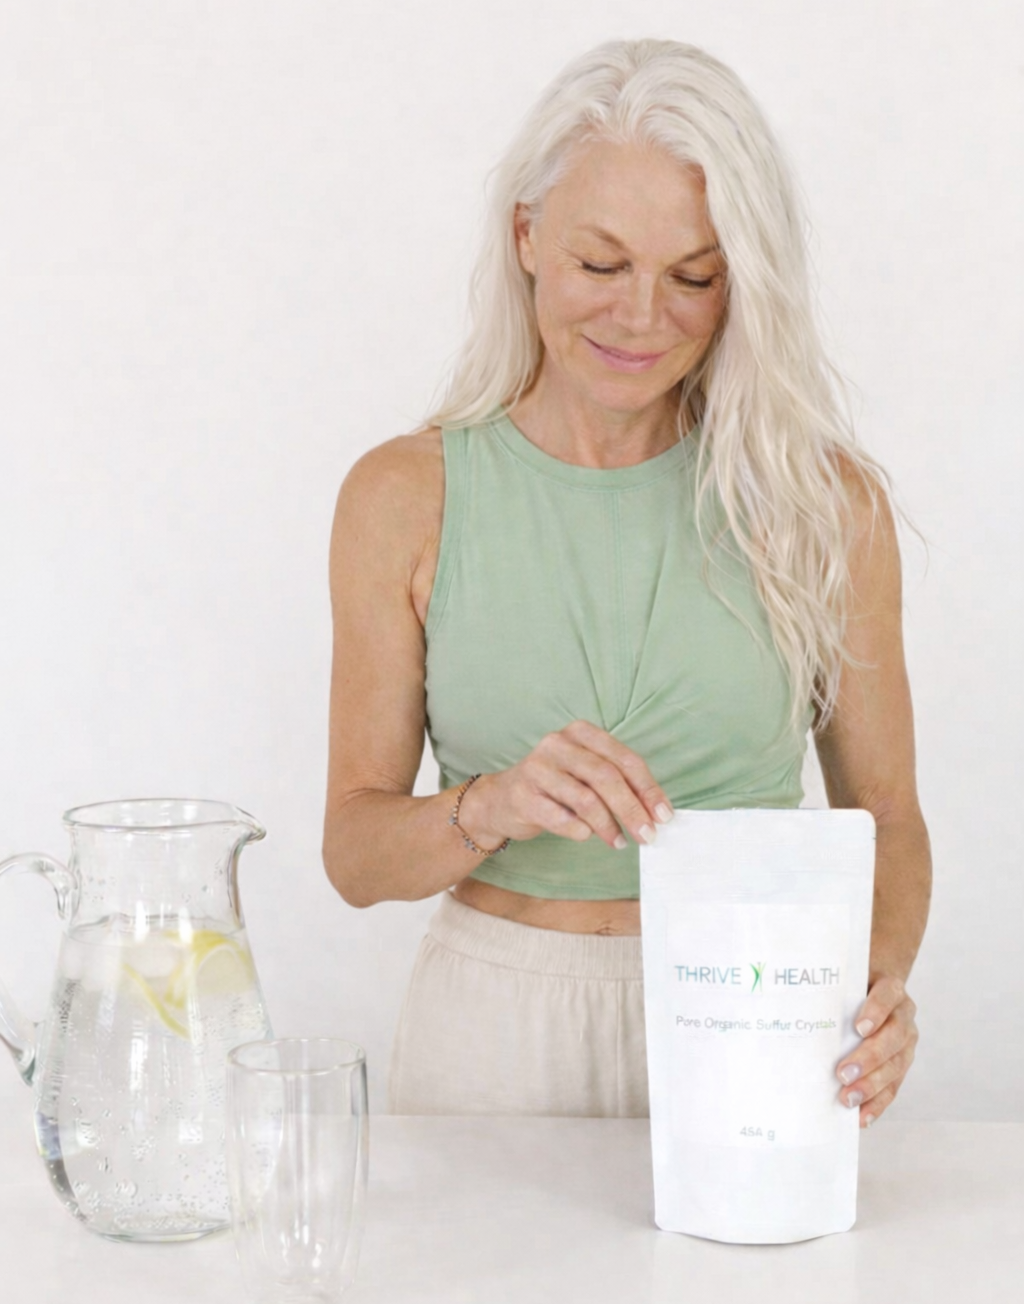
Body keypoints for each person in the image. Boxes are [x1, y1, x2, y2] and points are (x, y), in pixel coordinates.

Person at [322, 39, 931, 1122]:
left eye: (692, 276)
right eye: (601, 265)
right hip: (491, 1029)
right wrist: (492, 803)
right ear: (526, 236)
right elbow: (355, 854)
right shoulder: (404, 496)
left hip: (752, 1016)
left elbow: (885, 815)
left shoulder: (822, 504)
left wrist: (873, 989)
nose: (642, 316)